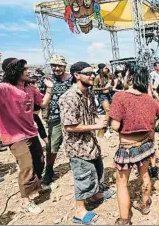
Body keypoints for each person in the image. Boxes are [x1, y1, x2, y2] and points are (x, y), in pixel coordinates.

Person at [0, 48, 54, 214]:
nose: (28, 71)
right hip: (15, 137)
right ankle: (25, 201)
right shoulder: (4, 89)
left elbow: (43, 104)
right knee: (26, 166)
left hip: (31, 132)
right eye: (24, 69)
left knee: (39, 162)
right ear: (15, 71)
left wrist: (49, 89)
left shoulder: (30, 88)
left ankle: (36, 186)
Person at [110, 65, 159, 225]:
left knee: (121, 183)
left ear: (131, 77)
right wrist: (153, 125)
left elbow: (115, 126)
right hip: (146, 145)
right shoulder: (148, 99)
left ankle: (124, 219)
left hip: (127, 147)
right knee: (145, 175)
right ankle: (145, 204)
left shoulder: (120, 97)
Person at [59, 61, 114, 225]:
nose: (93, 76)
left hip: (91, 142)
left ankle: (95, 194)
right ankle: (80, 211)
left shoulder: (89, 93)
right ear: (77, 75)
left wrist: (102, 123)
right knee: (83, 176)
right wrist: (96, 126)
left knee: (97, 169)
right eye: (88, 73)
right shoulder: (68, 98)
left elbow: (90, 116)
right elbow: (69, 127)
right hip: (78, 146)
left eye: (93, 73)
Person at [38, 55, 72, 185]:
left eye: (60, 65)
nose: (57, 68)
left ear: (65, 66)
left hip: (72, 117)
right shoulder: (46, 80)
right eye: (54, 65)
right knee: (52, 146)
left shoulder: (72, 79)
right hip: (54, 117)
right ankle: (49, 170)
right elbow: (40, 99)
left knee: (75, 142)